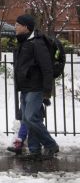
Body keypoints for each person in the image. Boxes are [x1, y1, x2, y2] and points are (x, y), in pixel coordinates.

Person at [13, 14, 60, 160]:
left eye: (17, 24)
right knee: (31, 118)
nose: (15, 27)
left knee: (30, 118)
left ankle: (51, 144)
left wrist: (47, 90)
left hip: (36, 87)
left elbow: (46, 67)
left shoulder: (37, 43)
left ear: (26, 27)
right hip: (26, 87)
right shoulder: (24, 41)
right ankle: (34, 150)